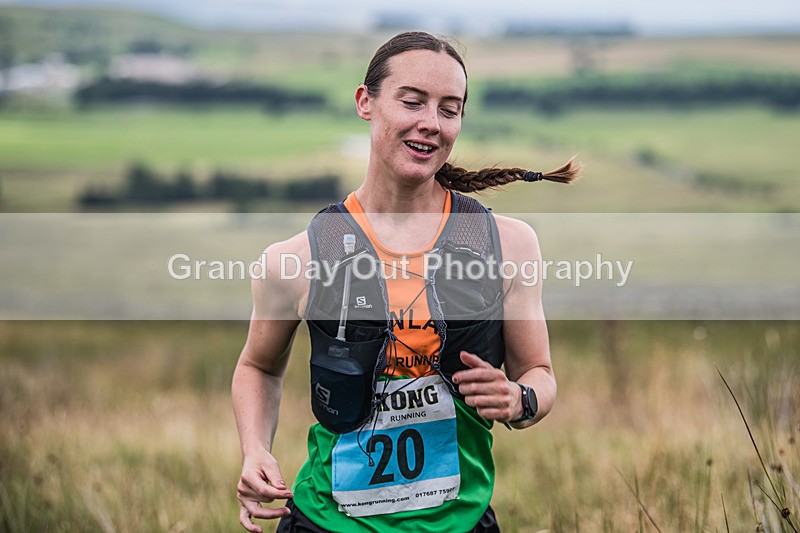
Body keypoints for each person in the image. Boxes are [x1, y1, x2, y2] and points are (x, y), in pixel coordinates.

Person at [232, 31, 580, 533]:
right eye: (412, 102)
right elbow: (258, 367)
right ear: (365, 102)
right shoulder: (295, 259)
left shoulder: (509, 245)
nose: (430, 124)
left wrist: (519, 400)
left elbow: (539, 374)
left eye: (449, 109)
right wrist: (255, 450)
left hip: (460, 524)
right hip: (324, 522)